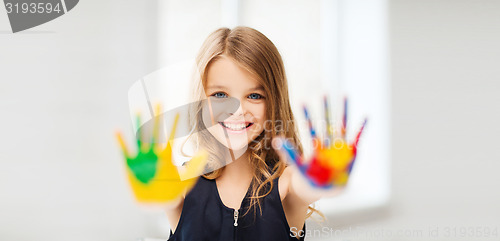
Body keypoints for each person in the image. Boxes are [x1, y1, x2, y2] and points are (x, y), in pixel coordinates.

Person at [165, 26, 347, 241]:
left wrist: (324, 175)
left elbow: (306, 187)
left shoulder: (287, 185)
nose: (238, 110)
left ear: (273, 102)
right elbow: (160, 198)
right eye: (220, 94)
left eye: (254, 96)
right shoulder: (180, 183)